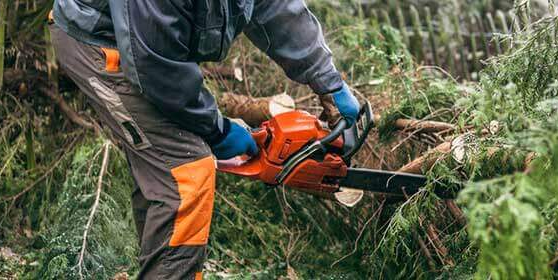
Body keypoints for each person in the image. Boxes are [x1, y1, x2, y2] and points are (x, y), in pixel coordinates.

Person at [48, 0, 359, 278]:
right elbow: (153, 64)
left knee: (167, 169)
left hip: (146, 50)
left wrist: (329, 81)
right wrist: (216, 129)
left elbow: (277, 9)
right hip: (102, 48)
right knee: (186, 171)